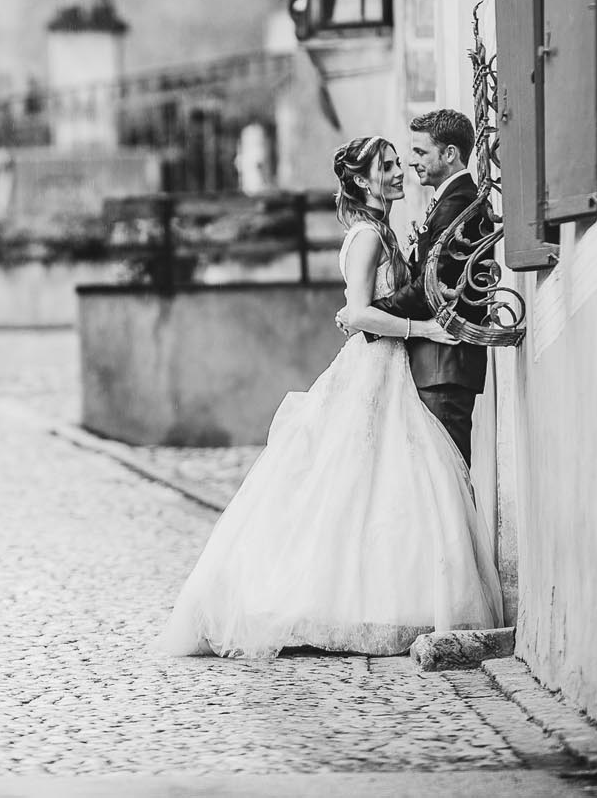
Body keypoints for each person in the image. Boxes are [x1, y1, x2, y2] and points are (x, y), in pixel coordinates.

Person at [153, 136, 502, 659]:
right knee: (352, 484)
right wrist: (425, 329)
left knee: (378, 484)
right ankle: (326, 602)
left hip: (390, 366)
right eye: (386, 166)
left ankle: (385, 597)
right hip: (376, 364)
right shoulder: (366, 236)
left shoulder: (380, 232)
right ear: (363, 181)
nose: (398, 172)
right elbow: (360, 313)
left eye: (396, 163)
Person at [345, 108, 490, 466]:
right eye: (392, 164)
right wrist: (361, 312)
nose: (408, 165)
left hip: (444, 364)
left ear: (450, 154)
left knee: (445, 477)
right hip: (427, 363)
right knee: (431, 479)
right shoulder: (442, 204)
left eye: (419, 153)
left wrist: (364, 314)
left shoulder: (457, 204)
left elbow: (429, 288)